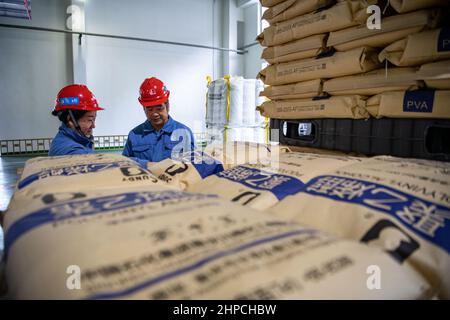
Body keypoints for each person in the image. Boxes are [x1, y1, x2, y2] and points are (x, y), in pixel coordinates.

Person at [123, 77, 195, 164]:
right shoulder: (134, 135)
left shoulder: (184, 133)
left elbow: (195, 167)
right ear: (143, 109)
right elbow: (124, 165)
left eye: (159, 108)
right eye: (149, 109)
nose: (155, 114)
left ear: (167, 105)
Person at [49, 84, 104, 156]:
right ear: (70, 120)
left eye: (94, 119)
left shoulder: (68, 140)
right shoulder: (73, 152)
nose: (94, 126)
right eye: (90, 120)